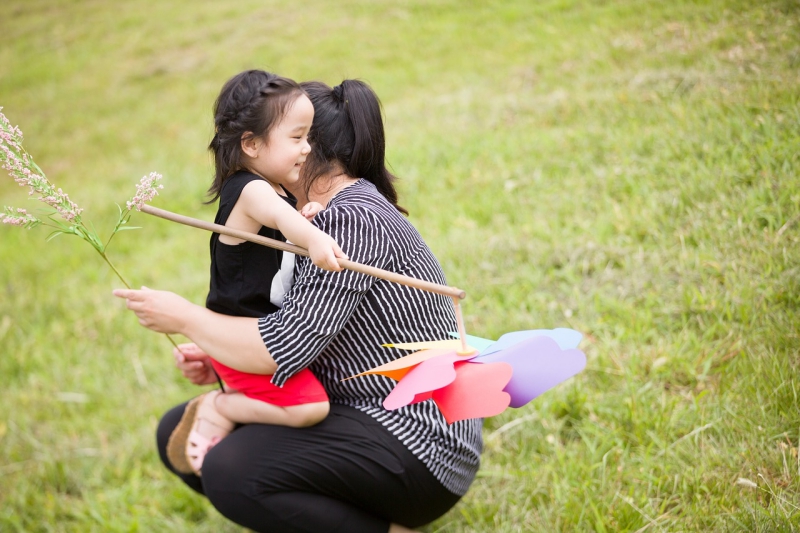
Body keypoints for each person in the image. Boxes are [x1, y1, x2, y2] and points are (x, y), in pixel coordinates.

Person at [114, 79, 482, 533]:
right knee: (178, 429)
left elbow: (279, 346)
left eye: (302, 138)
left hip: (419, 439)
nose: (298, 147)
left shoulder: (350, 218)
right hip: (357, 410)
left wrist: (188, 318)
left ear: (311, 151)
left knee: (231, 468)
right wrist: (220, 356)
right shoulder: (313, 216)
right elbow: (302, 329)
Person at [167, 70, 348, 476]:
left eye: (309, 136)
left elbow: (283, 223)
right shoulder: (247, 190)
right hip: (240, 339)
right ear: (250, 143)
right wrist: (311, 235)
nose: (308, 148)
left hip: (257, 337)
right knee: (311, 407)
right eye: (297, 138)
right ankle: (219, 407)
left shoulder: (276, 192)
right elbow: (278, 218)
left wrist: (306, 219)